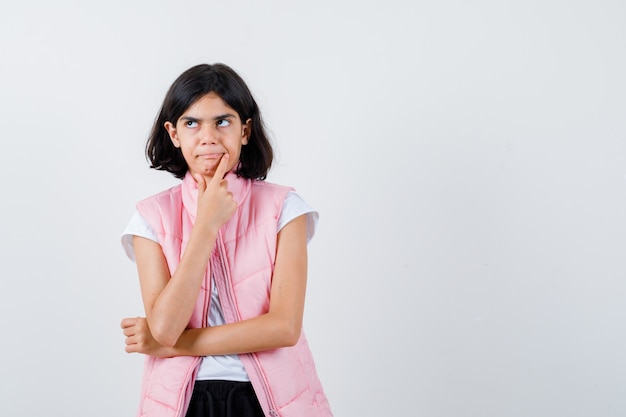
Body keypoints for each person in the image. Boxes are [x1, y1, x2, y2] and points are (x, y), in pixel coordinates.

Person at [120, 63, 333, 417]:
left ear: (245, 130)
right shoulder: (150, 217)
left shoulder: (284, 208)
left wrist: (170, 346)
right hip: (182, 402)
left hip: (270, 400)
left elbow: (284, 327)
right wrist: (205, 226)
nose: (208, 137)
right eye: (192, 123)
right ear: (173, 133)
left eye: (223, 121)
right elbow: (165, 326)